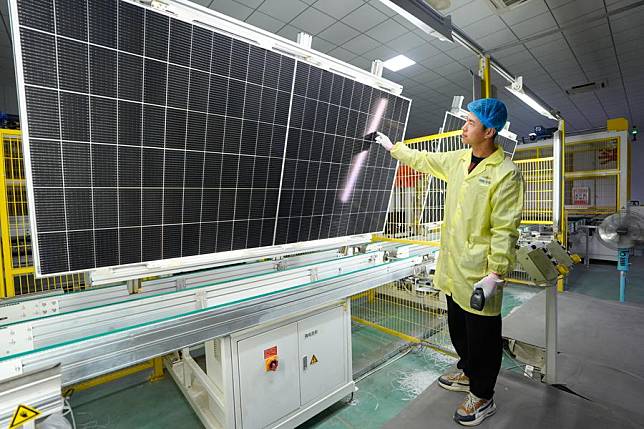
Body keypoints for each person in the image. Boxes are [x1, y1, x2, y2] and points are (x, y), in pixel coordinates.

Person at [375, 98, 524, 426]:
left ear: (489, 131)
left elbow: (505, 228)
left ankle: (483, 396)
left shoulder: (505, 174)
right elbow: (424, 159)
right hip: (454, 266)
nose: (463, 127)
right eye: (465, 121)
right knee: (459, 329)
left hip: (481, 273)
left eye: (470, 123)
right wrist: (393, 148)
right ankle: (468, 373)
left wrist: (496, 272)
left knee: (483, 338)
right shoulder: (457, 160)